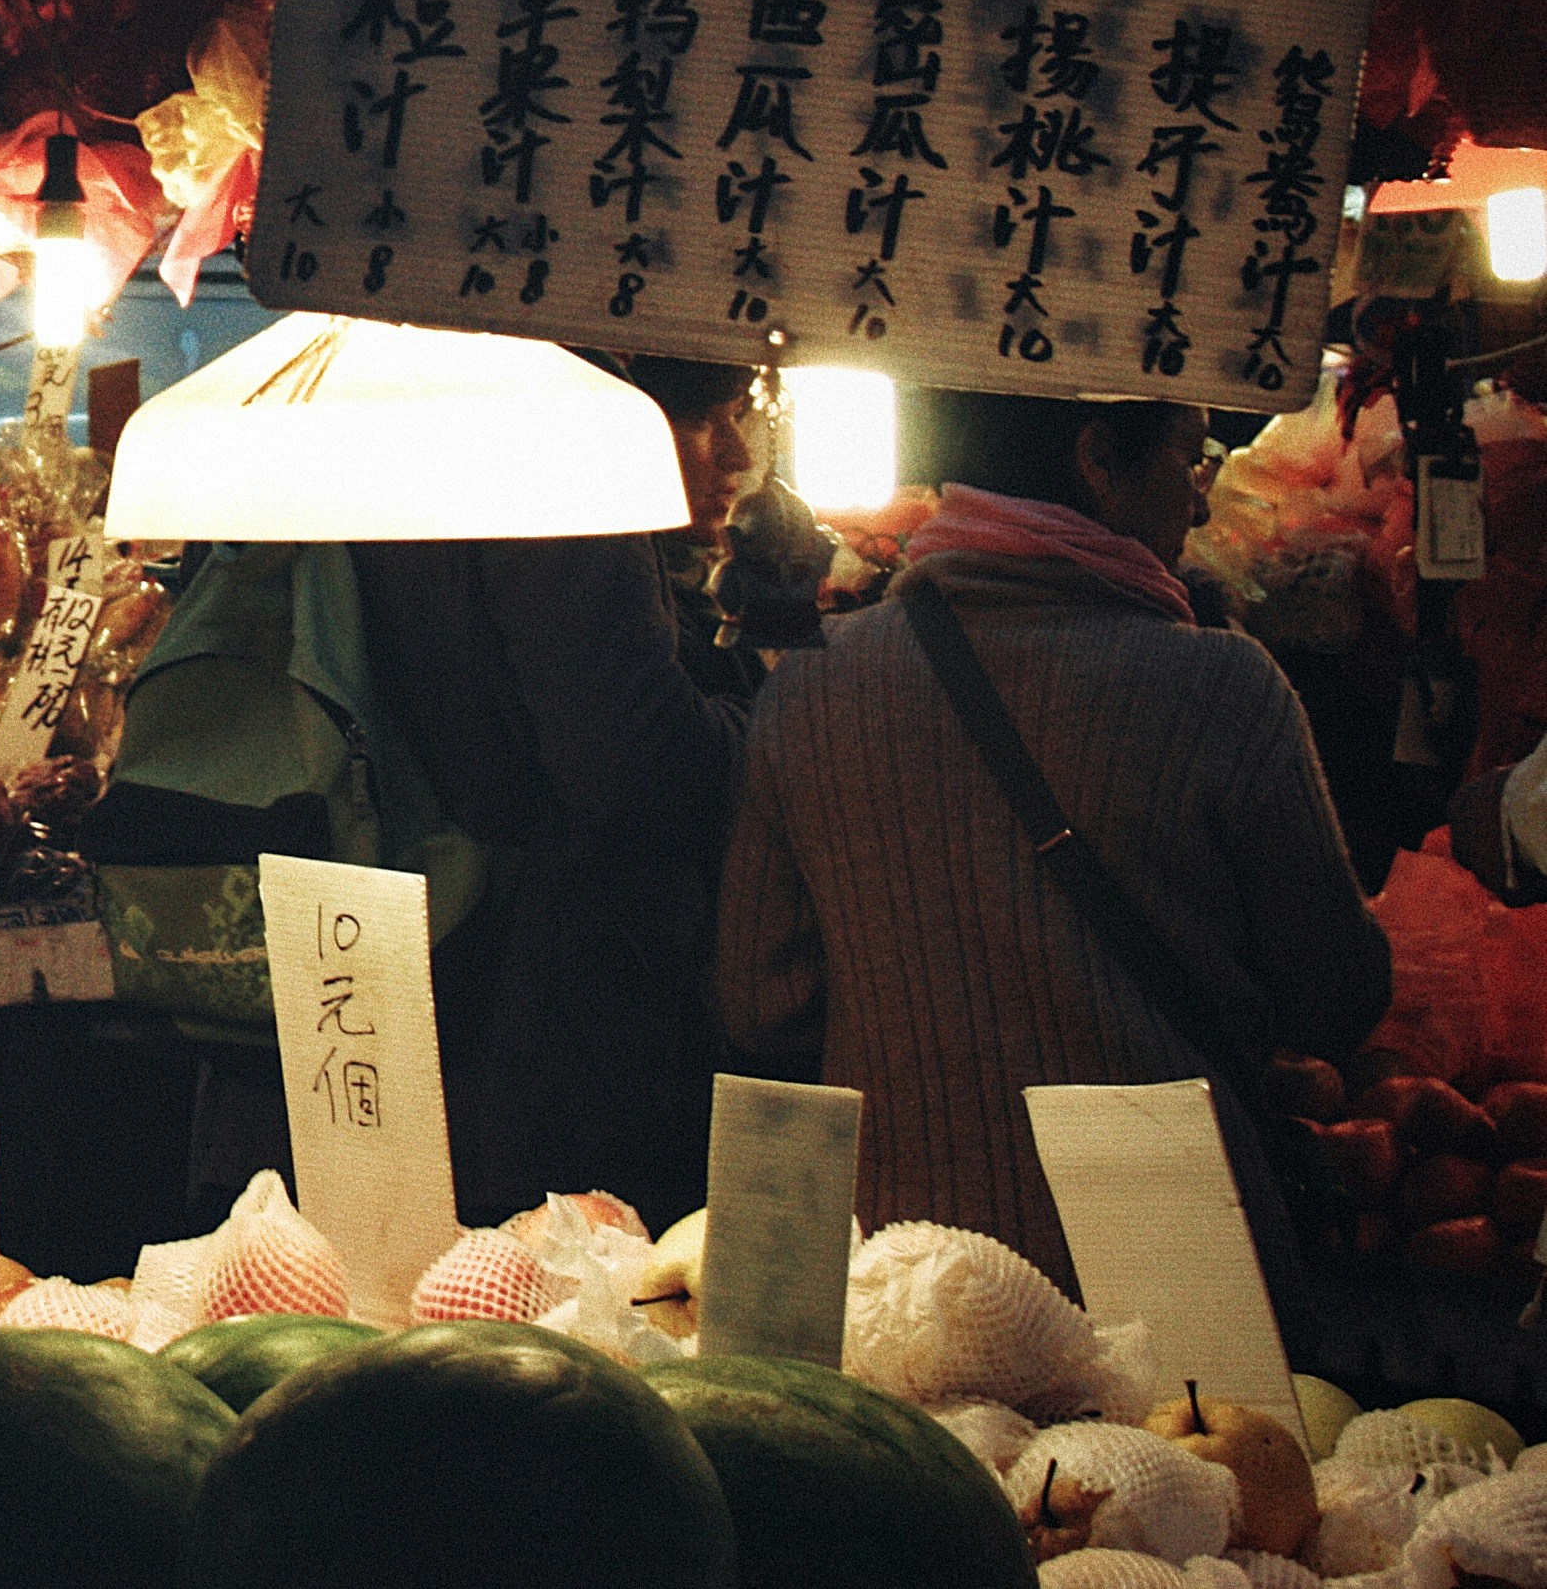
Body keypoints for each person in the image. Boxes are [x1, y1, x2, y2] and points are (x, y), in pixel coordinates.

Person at [715, 390, 1390, 1305]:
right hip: (1174, 1267)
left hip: (907, 1275)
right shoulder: (1224, 688)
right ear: (1097, 458)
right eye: (1189, 460)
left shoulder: (808, 689)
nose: (1198, 501)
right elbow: (1331, 996)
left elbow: (763, 1004)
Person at [342, 355, 765, 1228]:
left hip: (374, 986)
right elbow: (636, 762)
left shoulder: (375, 409)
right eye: (707, 417)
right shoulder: (562, 435)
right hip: (535, 1033)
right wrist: (767, 699)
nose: (737, 454)